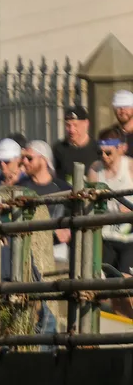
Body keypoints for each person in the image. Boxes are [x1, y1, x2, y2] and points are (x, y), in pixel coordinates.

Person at [89, 130, 133, 318]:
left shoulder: (130, 167)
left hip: (129, 237)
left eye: (109, 153)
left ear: (120, 149)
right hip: (106, 236)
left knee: (126, 284)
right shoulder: (95, 170)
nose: (104, 157)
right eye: (100, 153)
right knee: (107, 286)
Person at [53, 105, 97, 185]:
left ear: (86, 123)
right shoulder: (59, 149)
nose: (71, 130)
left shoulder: (97, 149)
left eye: (76, 125)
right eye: (68, 125)